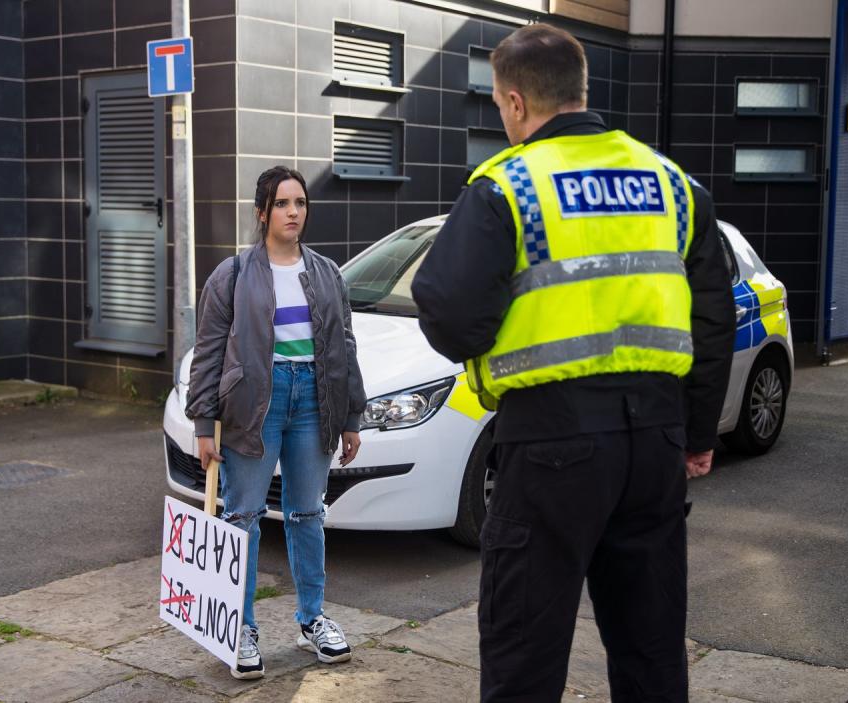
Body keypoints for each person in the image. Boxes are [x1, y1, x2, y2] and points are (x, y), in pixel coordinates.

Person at [411, 24, 735, 703]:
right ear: (581, 91)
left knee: (524, 650)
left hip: (551, 443)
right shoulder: (672, 185)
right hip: (654, 443)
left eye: (502, 108)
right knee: (651, 646)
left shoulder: (509, 184)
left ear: (518, 103)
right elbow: (713, 315)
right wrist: (698, 434)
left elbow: (447, 309)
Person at [185, 165, 367, 679]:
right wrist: (204, 423)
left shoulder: (327, 273)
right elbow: (210, 351)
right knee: (241, 516)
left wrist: (352, 414)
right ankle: (239, 627)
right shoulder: (235, 274)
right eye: (283, 203)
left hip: (313, 398)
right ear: (262, 212)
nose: (293, 212)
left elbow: (343, 349)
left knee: (307, 512)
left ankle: (313, 620)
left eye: (301, 203)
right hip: (254, 404)